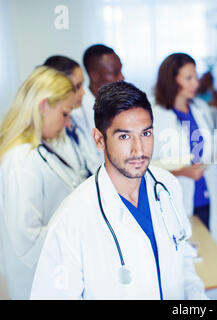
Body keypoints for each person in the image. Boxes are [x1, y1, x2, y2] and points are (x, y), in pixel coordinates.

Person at [30, 81, 207, 300]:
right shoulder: (73, 218)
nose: (138, 149)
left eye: (146, 134)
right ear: (99, 139)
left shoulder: (167, 187)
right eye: (124, 136)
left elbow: (184, 262)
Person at [0, 66, 76, 299]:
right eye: (65, 113)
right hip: (36, 280)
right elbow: (27, 238)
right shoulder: (21, 159)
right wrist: (77, 227)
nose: (68, 123)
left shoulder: (41, 150)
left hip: (54, 272)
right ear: (43, 106)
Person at [151, 53, 217, 248]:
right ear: (171, 80)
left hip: (206, 195)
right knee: (186, 260)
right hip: (177, 200)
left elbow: (205, 150)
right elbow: (147, 167)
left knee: (212, 257)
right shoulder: (156, 117)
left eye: (195, 77)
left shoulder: (200, 108)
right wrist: (182, 171)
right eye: (188, 78)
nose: (196, 84)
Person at [43, 55, 102, 174]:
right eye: (77, 86)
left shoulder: (75, 122)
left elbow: (92, 162)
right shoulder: (51, 133)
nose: (83, 92)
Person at [72, 44, 124, 146]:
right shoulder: (76, 112)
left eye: (121, 70)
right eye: (115, 73)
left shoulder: (121, 104)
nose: (122, 77)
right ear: (94, 75)